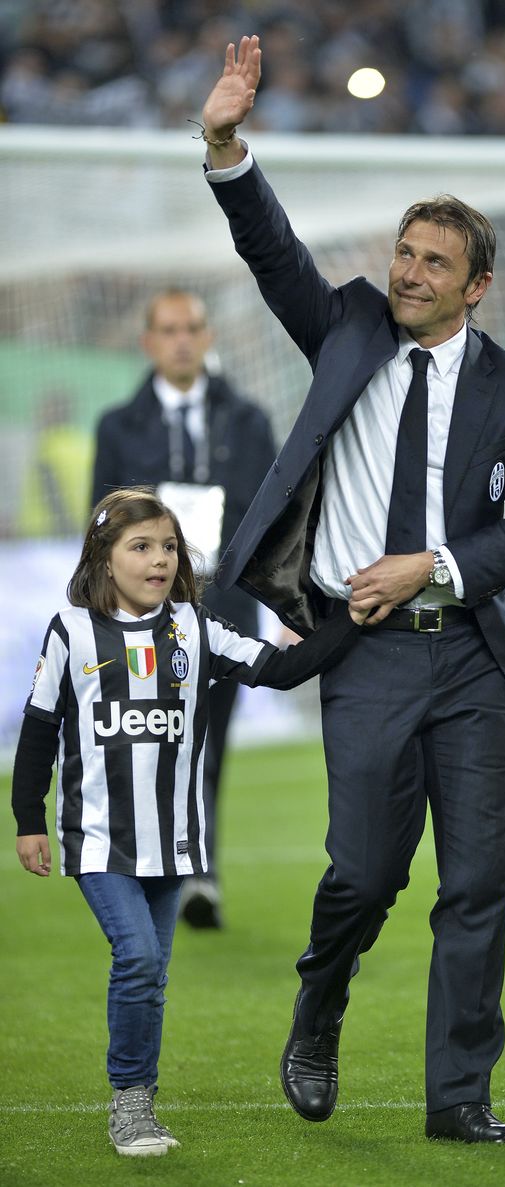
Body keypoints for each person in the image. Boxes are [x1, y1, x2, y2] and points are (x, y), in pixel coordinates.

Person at [197, 35, 505, 1144]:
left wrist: (440, 562)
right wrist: (225, 147)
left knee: (475, 887)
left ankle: (460, 1098)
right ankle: (319, 1003)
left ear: (477, 284)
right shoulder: (349, 324)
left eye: (432, 263)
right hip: (359, 650)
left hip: (469, 655)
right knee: (361, 872)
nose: (408, 273)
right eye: (404, 253)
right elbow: (274, 255)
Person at [11, 487, 363, 1158]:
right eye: (140, 546)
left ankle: (138, 1096)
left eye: (168, 546)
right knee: (137, 957)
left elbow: (283, 669)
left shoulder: (196, 628)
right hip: (99, 841)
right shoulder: (71, 632)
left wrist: (353, 619)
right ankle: (131, 1104)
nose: (159, 559)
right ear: (103, 557)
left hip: (176, 844)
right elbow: (39, 730)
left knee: (153, 971)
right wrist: (29, 817)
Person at [92, 289, 277, 929]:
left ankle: (201, 871)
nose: (180, 340)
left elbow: (266, 522)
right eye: (168, 329)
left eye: (192, 328)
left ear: (208, 336)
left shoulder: (249, 422)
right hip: (137, 621)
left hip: (219, 615)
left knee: (207, 745)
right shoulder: (117, 428)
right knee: (144, 746)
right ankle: (150, 870)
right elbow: (101, 527)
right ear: (148, 341)